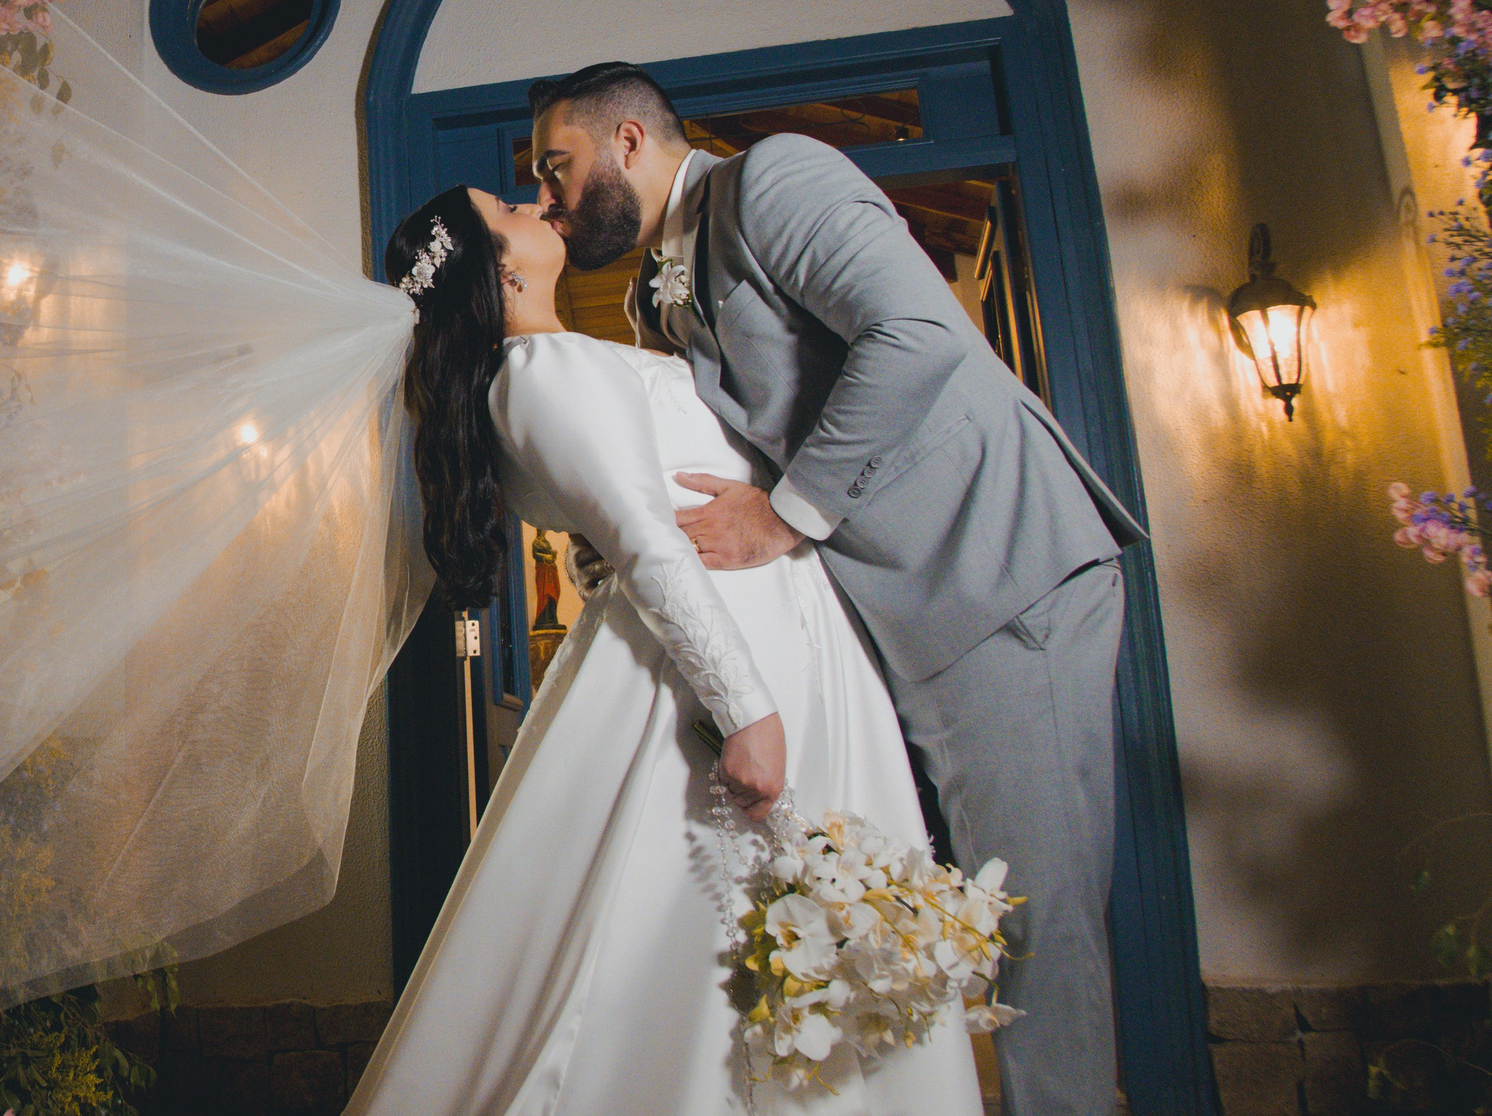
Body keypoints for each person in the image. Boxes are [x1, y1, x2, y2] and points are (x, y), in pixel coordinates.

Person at [526, 62, 1146, 1116]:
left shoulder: (776, 178)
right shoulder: (651, 290)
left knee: (1038, 925)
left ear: (627, 141)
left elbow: (917, 337)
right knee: (939, 915)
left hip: (996, 573)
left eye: (558, 164)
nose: (548, 196)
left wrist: (778, 514)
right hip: (889, 617)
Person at [344, 185, 982, 1116]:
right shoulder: (538, 372)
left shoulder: (545, 367)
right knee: (698, 947)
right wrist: (746, 709)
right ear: (501, 267)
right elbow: (642, 540)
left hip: (766, 629)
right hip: (724, 662)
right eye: (506, 206)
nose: (533, 199)